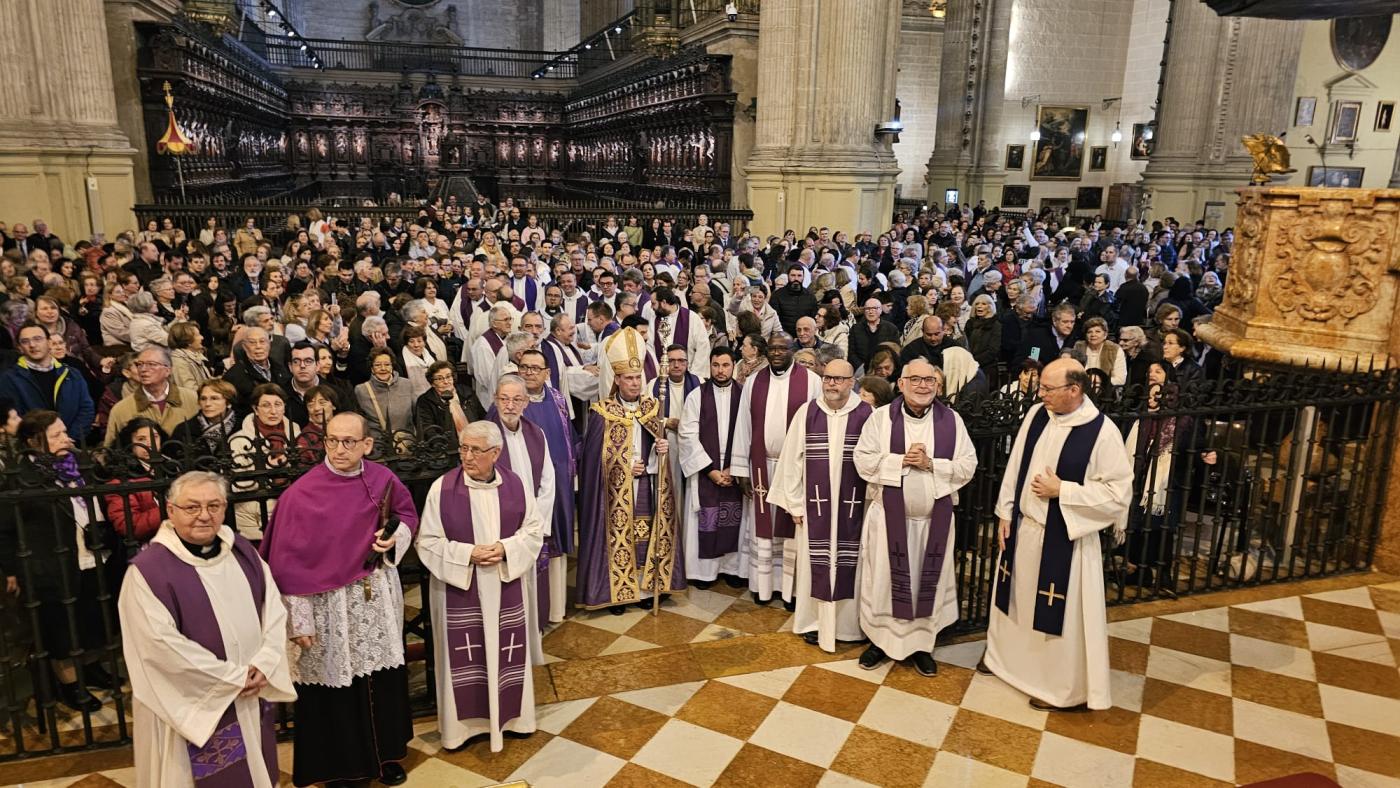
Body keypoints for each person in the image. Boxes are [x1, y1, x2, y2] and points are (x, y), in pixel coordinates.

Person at [259, 412, 419, 787]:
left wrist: (396, 536)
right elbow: (285, 565)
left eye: (349, 441)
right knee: (333, 686)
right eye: (332, 440)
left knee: (380, 679)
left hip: (374, 600)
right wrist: (299, 621)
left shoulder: (382, 478)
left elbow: (406, 515)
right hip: (328, 608)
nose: (339, 449)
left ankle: (385, 757)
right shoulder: (301, 495)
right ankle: (336, 768)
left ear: (367, 444)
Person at [119, 471, 294, 787]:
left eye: (214, 505)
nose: (204, 515)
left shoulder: (243, 553)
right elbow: (159, 647)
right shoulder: (149, 571)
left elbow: (274, 612)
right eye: (192, 507)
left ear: (225, 508)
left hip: (249, 692)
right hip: (193, 706)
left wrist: (264, 664)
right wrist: (233, 678)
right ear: (170, 510)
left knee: (254, 770)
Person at [981, 358, 1133, 711]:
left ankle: (1061, 689)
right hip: (1025, 530)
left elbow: (1118, 495)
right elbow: (1016, 464)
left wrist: (1063, 490)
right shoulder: (1037, 415)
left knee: (1057, 617)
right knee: (1014, 603)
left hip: (1066, 541)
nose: (1040, 393)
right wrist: (1005, 511)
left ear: (1075, 390)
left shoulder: (1101, 432)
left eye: (1048, 388)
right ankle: (1006, 664)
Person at [416, 421, 545, 753]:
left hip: (505, 580)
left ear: (496, 453)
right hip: (462, 587)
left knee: (507, 651)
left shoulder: (516, 485)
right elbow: (427, 542)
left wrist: (505, 549)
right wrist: (467, 553)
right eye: (463, 448)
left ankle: (515, 720)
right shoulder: (441, 489)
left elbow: (533, 531)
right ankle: (462, 730)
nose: (467, 457)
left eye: (475, 450)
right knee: (466, 655)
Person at [852, 361, 977, 674]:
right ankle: (880, 641)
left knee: (925, 583)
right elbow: (862, 460)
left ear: (937, 385)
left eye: (930, 380)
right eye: (916, 379)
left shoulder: (952, 421)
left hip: (932, 524)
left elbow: (968, 465)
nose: (923, 385)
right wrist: (900, 462)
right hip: (888, 522)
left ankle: (922, 645)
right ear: (901, 384)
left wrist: (932, 464)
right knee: (884, 581)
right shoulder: (880, 419)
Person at [767, 359, 873, 652]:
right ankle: (814, 623)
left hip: (855, 511)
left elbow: (875, 462)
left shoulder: (867, 414)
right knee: (814, 567)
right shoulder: (808, 412)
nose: (831, 384)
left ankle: (847, 627)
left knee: (852, 565)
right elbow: (791, 461)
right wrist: (796, 505)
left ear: (852, 381)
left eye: (839, 379)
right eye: (827, 378)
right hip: (814, 511)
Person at [576, 327, 685, 613]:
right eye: (628, 378)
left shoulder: (653, 408)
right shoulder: (602, 412)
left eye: (638, 378)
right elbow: (592, 462)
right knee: (618, 541)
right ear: (617, 379)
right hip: (617, 492)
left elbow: (655, 444)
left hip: (648, 485)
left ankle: (648, 590)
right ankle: (619, 594)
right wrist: (623, 466)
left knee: (647, 536)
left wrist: (661, 451)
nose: (635, 384)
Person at [730, 331, 820, 607]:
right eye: (772, 348)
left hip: (795, 469)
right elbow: (743, 426)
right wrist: (741, 469)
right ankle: (762, 586)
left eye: (783, 348)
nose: (777, 353)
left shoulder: (812, 382)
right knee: (763, 529)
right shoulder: (754, 381)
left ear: (793, 349)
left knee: (791, 530)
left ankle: (790, 590)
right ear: (765, 351)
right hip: (761, 468)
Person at [484, 375, 556, 645]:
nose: (510, 405)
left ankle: (533, 628)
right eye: (504, 398)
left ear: (526, 402)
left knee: (532, 580)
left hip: (532, 520)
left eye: (516, 399)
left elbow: (548, 480)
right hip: (500, 522)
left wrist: (535, 519)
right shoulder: (485, 435)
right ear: (495, 400)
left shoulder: (536, 433)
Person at [516, 349, 578, 626]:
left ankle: (555, 609)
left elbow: (569, 438)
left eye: (535, 368)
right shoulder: (511, 400)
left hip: (560, 484)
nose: (529, 372)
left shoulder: (557, 398)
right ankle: (529, 612)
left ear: (547, 373)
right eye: (524, 367)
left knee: (556, 544)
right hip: (526, 487)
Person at [678, 347, 748, 588]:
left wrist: (733, 467)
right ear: (709, 366)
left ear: (734, 366)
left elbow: (751, 433)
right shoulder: (696, 396)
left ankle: (731, 568)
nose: (720, 370)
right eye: (716, 365)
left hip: (735, 470)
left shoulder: (745, 395)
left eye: (726, 365)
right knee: (706, 520)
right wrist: (711, 470)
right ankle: (704, 573)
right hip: (706, 470)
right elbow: (687, 436)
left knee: (735, 519)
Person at [0, 321, 95, 442]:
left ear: (49, 342)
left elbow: (86, 409)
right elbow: (16, 417)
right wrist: (44, 441)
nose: (32, 345)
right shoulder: (9, 379)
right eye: (25, 341)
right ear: (19, 348)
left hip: (71, 443)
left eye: (37, 339)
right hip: (34, 446)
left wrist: (66, 438)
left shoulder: (72, 374)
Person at [105, 346, 199, 445]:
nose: (143, 369)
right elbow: (111, 451)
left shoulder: (192, 399)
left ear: (168, 370)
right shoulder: (121, 409)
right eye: (139, 364)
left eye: (151, 364)